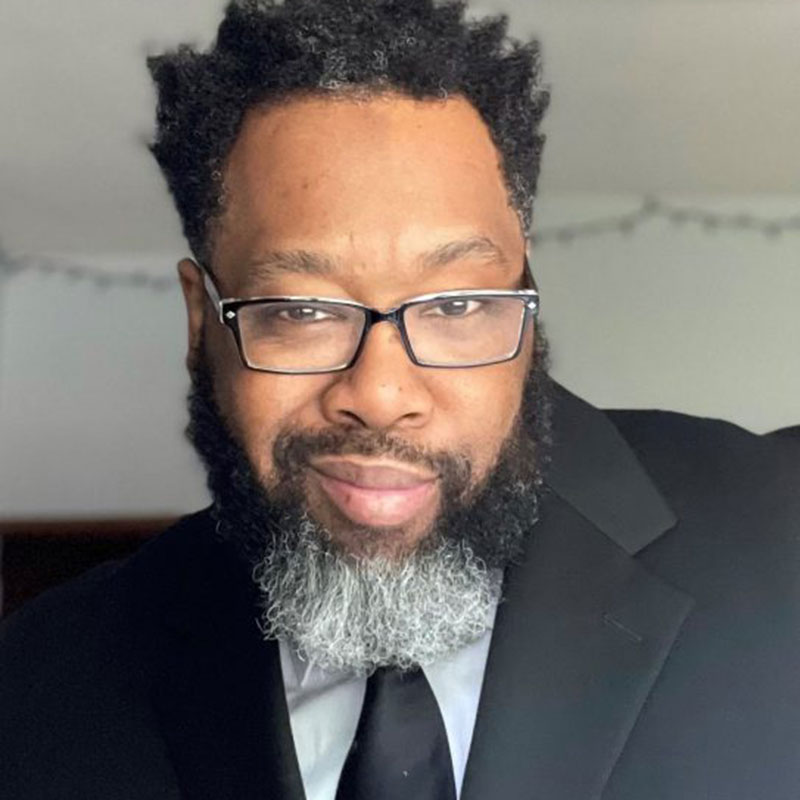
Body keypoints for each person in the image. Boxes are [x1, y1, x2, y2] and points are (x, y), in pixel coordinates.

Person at [2, 1, 799, 798]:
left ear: (527, 305)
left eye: (456, 303)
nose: (381, 396)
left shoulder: (780, 534)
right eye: (301, 311)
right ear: (200, 322)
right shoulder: (44, 682)